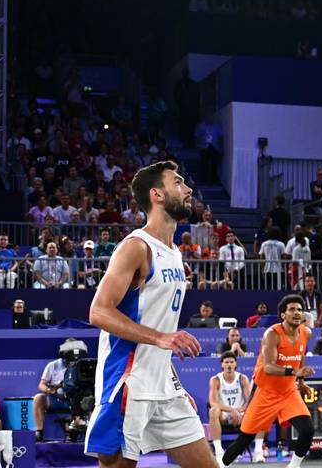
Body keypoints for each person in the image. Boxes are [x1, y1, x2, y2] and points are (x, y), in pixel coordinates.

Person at [84, 160, 211, 468]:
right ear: (157, 194)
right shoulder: (136, 247)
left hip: (165, 386)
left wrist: (174, 381)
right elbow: (98, 312)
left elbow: (160, 329)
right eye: (178, 182)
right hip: (129, 381)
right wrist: (161, 338)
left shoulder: (175, 253)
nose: (188, 189)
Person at [218, 295, 315, 468]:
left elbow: (300, 356)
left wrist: (300, 381)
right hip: (265, 392)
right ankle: (220, 465)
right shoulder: (272, 334)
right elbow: (268, 367)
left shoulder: (306, 333)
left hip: (288, 392)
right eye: (292, 309)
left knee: (307, 430)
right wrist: (294, 372)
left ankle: (294, 466)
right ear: (283, 315)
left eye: (300, 310)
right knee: (244, 439)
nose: (297, 313)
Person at [207, 352, 252, 460]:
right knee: (213, 411)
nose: (229, 365)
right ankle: (218, 450)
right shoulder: (216, 379)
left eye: (231, 362)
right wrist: (231, 410)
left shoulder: (242, 378)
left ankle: (257, 449)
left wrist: (239, 411)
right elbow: (212, 402)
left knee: (256, 410)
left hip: (240, 413)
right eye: (226, 362)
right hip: (224, 414)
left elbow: (249, 401)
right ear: (222, 364)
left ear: (235, 364)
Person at [32, 347, 71, 441]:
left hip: (72, 400)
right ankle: (39, 432)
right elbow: (41, 385)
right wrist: (49, 390)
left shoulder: (80, 365)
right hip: (55, 399)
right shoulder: (53, 365)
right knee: (38, 398)